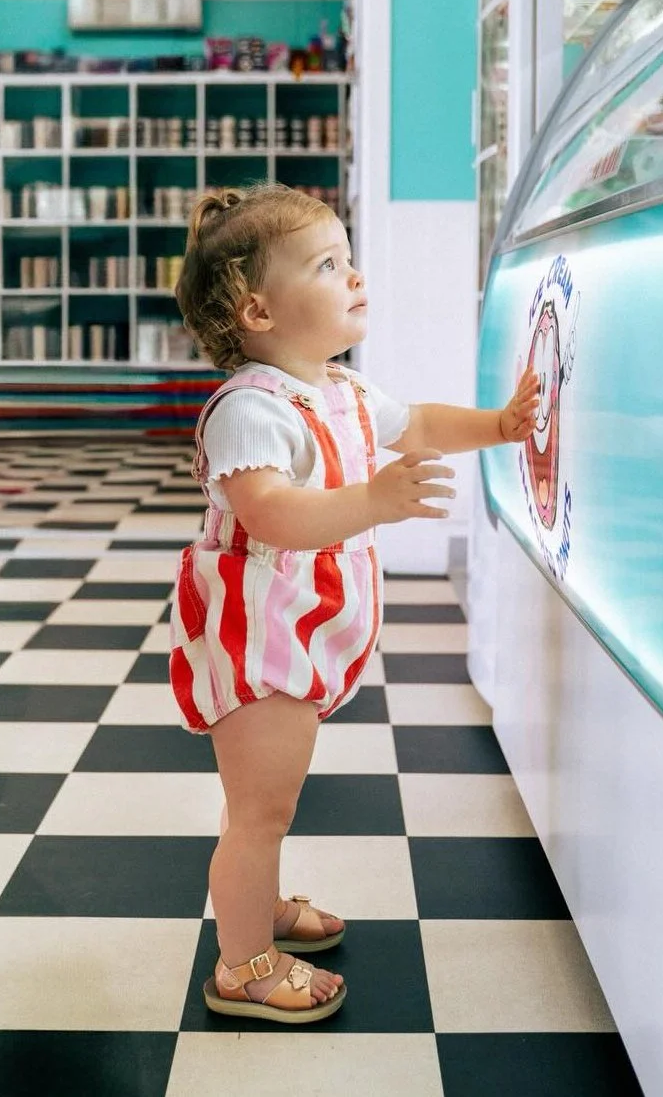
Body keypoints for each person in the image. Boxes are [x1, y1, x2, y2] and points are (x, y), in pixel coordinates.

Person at [170, 183, 539, 1024]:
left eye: (348, 258)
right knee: (259, 810)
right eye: (328, 265)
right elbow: (269, 514)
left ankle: (254, 912)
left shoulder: (339, 389)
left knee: (265, 799)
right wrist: (374, 503)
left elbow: (419, 425)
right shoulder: (250, 409)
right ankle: (243, 966)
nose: (356, 277)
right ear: (258, 310)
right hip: (254, 635)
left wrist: (500, 424)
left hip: (297, 630)